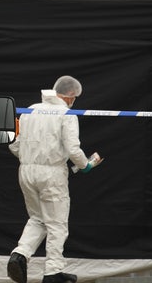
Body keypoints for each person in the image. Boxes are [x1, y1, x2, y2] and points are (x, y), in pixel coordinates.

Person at [6, 75, 100, 283]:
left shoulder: (30, 110)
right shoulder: (66, 114)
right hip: (52, 174)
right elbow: (73, 149)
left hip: (26, 171)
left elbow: (14, 145)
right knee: (57, 224)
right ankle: (53, 272)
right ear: (71, 96)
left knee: (38, 218)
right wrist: (86, 165)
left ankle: (19, 254)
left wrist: (30, 159)